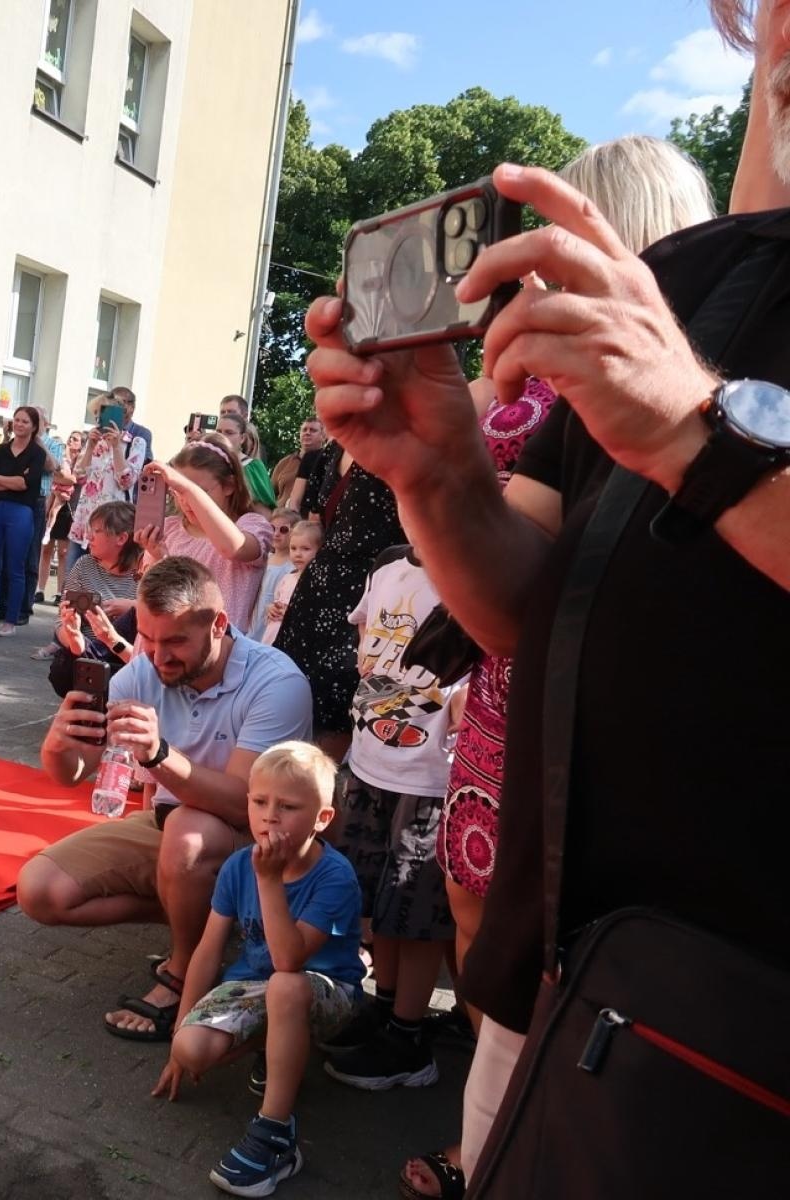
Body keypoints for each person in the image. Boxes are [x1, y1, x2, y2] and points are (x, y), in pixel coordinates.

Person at [302, 63, 790, 1171]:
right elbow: (530, 600)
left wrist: (696, 434)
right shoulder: (695, 277)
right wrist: (441, 483)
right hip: (577, 995)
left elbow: (685, 440)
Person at [399, 132, 716, 1200]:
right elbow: (499, 559)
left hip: (565, 697)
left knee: (534, 943)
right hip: (528, 684)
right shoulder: (561, 368)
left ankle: (513, 1128)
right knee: (502, 928)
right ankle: (506, 1126)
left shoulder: (624, 368)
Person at [17, 556, 313, 1042]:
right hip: (172, 829)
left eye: (175, 641)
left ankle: (184, 967)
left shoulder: (276, 683)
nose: (158, 657)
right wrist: (57, 745)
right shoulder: (142, 672)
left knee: (188, 831)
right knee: (40, 891)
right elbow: (73, 774)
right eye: (148, 639)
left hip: (257, 843)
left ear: (219, 624)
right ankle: (202, 915)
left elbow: (247, 805)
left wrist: (159, 755)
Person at [152, 742, 363, 1198]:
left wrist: (269, 880)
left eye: (287, 807)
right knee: (192, 1050)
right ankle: (275, 1050)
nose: (269, 817)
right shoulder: (235, 866)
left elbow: (290, 961)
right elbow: (207, 951)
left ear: (322, 819)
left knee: (285, 986)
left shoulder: (335, 876)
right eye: (259, 801)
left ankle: (275, 1135)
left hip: (326, 993)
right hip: (256, 986)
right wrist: (178, 1033)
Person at [318, 545, 465, 1094]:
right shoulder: (387, 568)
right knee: (378, 903)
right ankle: (384, 1011)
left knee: (416, 912)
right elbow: (367, 644)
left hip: (429, 779)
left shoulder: (467, 574)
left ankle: (409, 1036)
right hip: (371, 764)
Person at [271, 436, 405, 760]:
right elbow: (316, 521)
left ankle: (322, 796)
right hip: (319, 588)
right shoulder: (332, 450)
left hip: (372, 588)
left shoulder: (400, 440)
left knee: (341, 695)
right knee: (293, 688)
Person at [137, 436, 274, 624]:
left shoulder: (252, 525)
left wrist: (187, 487)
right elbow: (153, 599)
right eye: (178, 492)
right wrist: (160, 558)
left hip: (218, 646)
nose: (186, 501)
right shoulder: (168, 529)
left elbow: (234, 548)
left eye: (199, 491)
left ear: (229, 486)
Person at [43, 500, 144, 687]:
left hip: (128, 655)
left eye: (96, 531)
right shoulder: (84, 566)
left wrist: (132, 608)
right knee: (63, 667)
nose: (88, 536)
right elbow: (61, 620)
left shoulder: (145, 572)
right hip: (88, 651)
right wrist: (73, 638)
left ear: (121, 538)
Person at [0, 405, 48, 636]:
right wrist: (11, 480)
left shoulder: (37, 453)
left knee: (16, 567)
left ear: (34, 426)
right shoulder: (0, 450)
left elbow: (25, 484)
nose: (19, 424)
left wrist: (0, 480)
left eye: (25, 421)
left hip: (21, 512)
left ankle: (11, 620)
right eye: (16, 420)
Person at [67, 401, 148, 574]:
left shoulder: (136, 442)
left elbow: (127, 481)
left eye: (103, 413)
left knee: (106, 580)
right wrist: (89, 446)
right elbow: (79, 474)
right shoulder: (95, 442)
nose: (99, 418)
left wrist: (117, 447)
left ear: (123, 414)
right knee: (74, 581)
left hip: (113, 524)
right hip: (85, 520)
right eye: (97, 414)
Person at [22, 414, 68, 624]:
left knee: (32, 553)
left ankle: (25, 603)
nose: (25, 424)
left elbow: (54, 467)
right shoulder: (17, 441)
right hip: (16, 499)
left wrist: (38, 441)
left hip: (38, 499)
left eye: (34, 420)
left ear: (44, 424)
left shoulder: (52, 443)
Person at [39, 429, 85, 605]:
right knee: (46, 550)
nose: (71, 442)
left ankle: (60, 592)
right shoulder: (62, 458)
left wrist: (67, 478)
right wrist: (67, 478)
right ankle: (40, 589)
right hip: (56, 500)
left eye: (75, 439)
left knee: (64, 552)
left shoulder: (82, 461)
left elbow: (74, 479)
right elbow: (57, 475)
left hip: (72, 508)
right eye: (70, 438)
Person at [260, 520, 320, 646]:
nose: (298, 554)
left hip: (294, 641)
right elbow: (276, 601)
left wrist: (292, 614)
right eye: (293, 548)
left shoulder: (317, 583)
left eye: (305, 549)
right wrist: (271, 609)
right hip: (273, 637)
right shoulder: (287, 579)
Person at [245, 506, 299, 641]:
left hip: (274, 617)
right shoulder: (264, 558)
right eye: (272, 528)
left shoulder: (293, 566)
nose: (276, 534)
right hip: (256, 614)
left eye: (284, 530)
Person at [217, 411, 277, 508]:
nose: (222, 437)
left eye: (229, 433)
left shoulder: (252, 467)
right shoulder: (208, 464)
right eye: (218, 432)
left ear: (242, 438)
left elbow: (264, 511)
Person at [271, 418, 326, 513]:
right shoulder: (285, 462)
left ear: (323, 436)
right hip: (281, 519)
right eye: (304, 430)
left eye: (313, 430)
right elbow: (270, 494)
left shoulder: (328, 463)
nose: (307, 433)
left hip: (310, 521)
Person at [115, 386, 154, 464]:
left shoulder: (142, 433)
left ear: (132, 407)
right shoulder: (103, 431)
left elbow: (143, 464)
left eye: (120, 403)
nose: (116, 407)